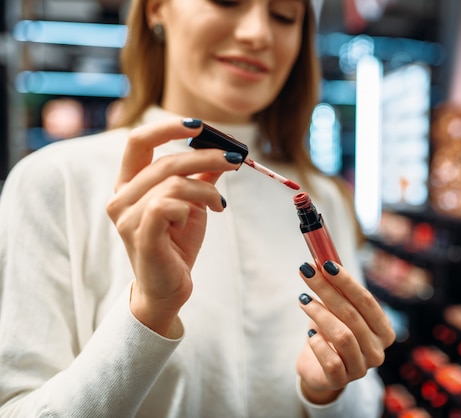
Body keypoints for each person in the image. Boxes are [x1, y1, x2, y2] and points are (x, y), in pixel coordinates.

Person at [0, 0, 396, 417]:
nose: (258, 34)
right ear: (156, 9)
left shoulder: (321, 197)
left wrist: (325, 392)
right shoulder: (54, 180)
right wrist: (149, 313)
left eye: (283, 15)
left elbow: (364, 400)